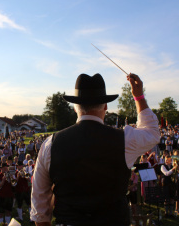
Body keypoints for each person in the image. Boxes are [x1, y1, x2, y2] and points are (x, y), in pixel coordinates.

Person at [31, 73, 160, 226]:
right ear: (105, 106)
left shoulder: (50, 144)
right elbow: (152, 132)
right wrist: (138, 97)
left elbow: (40, 204)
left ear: (75, 107)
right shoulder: (124, 140)